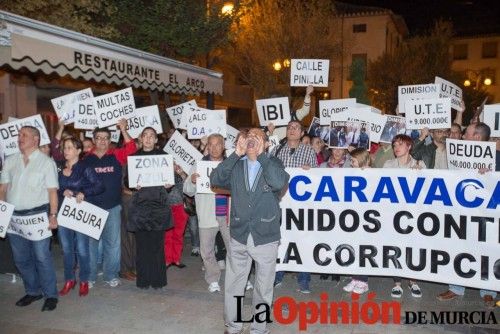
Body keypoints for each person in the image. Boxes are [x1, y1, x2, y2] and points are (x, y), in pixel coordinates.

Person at [210, 128, 289, 334]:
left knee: (263, 287)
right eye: (248, 136)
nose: (251, 139)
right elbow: (216, 180)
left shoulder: (273, 163)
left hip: (265, 235)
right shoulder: (236, 165)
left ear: (266, 143)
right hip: (239, 234)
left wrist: (262, 156)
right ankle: (234, 326)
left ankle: (258, 328)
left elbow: (279, 182)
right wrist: (236, 153)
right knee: (234, 284)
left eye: (257, 137)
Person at [436, 122, 497, 308]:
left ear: (477, 137)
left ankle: (488, 291)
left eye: (467, 133)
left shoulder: (496, 157)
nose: (462, 136)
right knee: (458, 248)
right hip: (459, 212)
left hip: (486, 215)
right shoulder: (455, 154)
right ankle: (456, 287)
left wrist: (490, 173)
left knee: (485, 251)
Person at [0, 126, 59, 311]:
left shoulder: (46, 163)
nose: (19, 138)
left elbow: (52, 192)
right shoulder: (10, 161)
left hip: (37, 216)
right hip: (14, 218)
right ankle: (33, 291)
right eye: (19, 135)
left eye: (24, 135)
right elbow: (2, 189)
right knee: (21, 259)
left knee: (42, 257)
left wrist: (53, 215)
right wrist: (2, 213)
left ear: (36, 139)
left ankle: (50, 295)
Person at [84, 118, 137, 288]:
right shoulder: (85, 159)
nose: (102, 141)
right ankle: (90, 276)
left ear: (110, 140)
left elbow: (132, 149)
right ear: (94, 140)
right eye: (98, 138)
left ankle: (110, 275)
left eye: (105, 138)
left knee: (113, 244)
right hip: (91, 208)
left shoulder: (115, 155)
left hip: (113, 207)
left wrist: (123, 129)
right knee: (91, 245)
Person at [270, 120, 317, 293]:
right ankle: (278, 274)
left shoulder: (309, 151)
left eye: (296, 128)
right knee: (279, 238)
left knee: (302, 239)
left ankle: (304, 278)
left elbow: (317, 177)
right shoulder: (276, 150)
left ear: (302, 133)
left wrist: (310, 170)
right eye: (289, 127)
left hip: (301, 206)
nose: (291, 130)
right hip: (280, 204)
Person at [57, 137, 104, 297]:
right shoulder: (59, 168)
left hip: (80, 213)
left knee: (82, 250)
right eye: (64, 148)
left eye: (69, 147)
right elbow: (53, 189)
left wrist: (83, 193)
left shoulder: (85, 168)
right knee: (67, 249)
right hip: (64, 215)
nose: (65, 150)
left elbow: (99, 186)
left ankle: (84, 280)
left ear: (78, 151)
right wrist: (61, 191)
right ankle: (69, 279)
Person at [183, 133, 231, 293]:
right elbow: (187, 190)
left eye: (219, 144)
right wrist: (192, 181)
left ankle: (239, 279)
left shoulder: (231, 164)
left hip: (228, 215)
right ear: (207, 146)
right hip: (206, 215)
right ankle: (213, 278)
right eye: (212, 144)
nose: (215, 147)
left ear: (223, 146)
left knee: (235, 249)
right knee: (207, 250)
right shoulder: (199, 165)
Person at [127, 127, 173, 289]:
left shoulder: (164, 157)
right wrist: (133, 185)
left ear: (155, 140)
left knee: (157, 246)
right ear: (140, 138)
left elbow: (169, 182)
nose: (148, 138)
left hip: (158, 207)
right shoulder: (133, 158)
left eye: (151, 136)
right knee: (142, 246)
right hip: (140, 208)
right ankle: (144, 280)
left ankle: (158, 281)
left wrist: (168, 184)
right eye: (145, 135)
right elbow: (127, 180)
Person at [383, 134, 425, 298]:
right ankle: (397, 283)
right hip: (393, 213)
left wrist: (419, 174)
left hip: (413, 214)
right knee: (396, 247)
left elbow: (428, 186)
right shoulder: (388, 165)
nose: (396, 148)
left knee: (412, 247)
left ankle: (413, 280)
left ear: (409, 146)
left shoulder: (420, 164)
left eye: (400, 144)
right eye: (394, 145)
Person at [342, 148, 371, 295]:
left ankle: (363, 281)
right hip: (353, 218)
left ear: (361, 159)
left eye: (353, 161)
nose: (351, 164)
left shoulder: (374, 174)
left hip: (367, 220)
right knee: (354, 249)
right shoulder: (352, 173)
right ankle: (355, 278)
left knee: (363, 250)